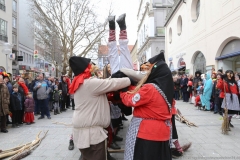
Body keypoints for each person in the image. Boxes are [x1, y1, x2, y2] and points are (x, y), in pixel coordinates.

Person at [69, 56, 131, 160]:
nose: (93, 66)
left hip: (84, 131)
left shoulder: (80, 82)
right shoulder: (90, 83)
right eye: (90, 65)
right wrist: (130, 79)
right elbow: (112, 83)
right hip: (91, 135)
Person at [120, 58, 173, 160]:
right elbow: (141, 94)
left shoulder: (150, 88)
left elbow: (131, 100)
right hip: (163, 132)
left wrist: (123, 91)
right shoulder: (165, 88)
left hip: (147, 133)